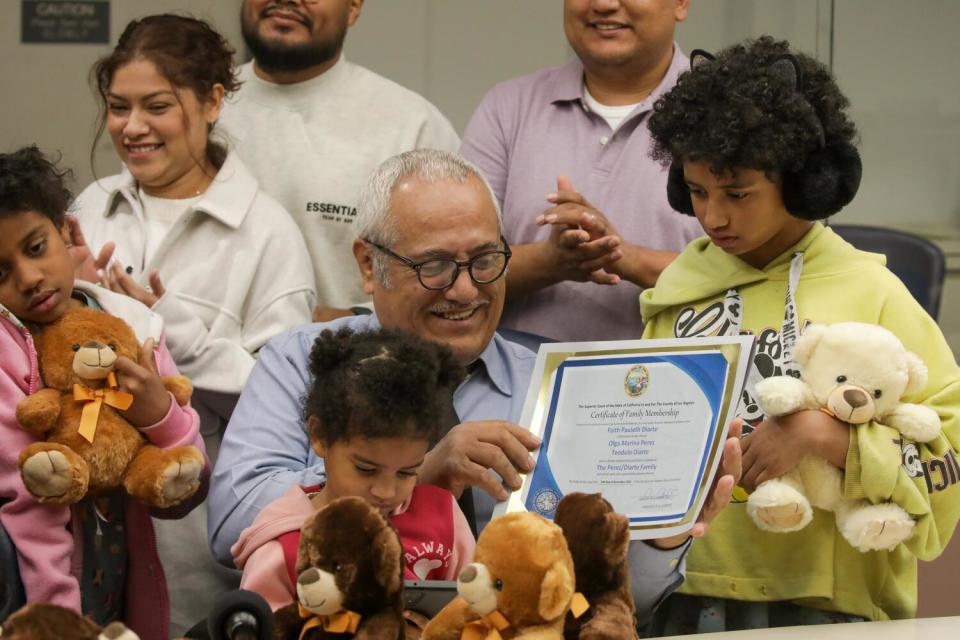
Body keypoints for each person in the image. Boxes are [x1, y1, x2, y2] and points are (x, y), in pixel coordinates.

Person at [209, 149, 742, 624]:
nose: (465, 290)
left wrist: (668, 528)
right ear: (369, 266)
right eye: (435, 265)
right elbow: (233, 526)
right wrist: (419, 477)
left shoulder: (557, 384)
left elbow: (612, 600)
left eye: (486, 260)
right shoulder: (304, 360)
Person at [641, 37, 960, 632]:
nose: (713, 217)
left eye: (738, 194)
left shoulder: (874, 293)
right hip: (685, 593)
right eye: (697, 191)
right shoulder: (678, 290)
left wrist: (826, 436)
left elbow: (947, 457)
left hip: (827, 606)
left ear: (802, 181)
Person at [71, 14, 316, 634]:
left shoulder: (267, 234)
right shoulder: (90, 207)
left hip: (191, 536)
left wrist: (159, 330)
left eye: (156, 106)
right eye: (118, 107)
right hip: (77, 518)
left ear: (212, 101)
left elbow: (284, 401)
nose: (132, 127)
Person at [0, 145, 208, 640]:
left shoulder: (132, 322)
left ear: (67, 231)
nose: (29, 279)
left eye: (35, 248)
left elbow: (186, 485)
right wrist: (60, 620)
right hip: (38, 587)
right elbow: (27, 499)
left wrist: (160, 413)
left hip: (120, 563)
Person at [459, 0, 702, 342]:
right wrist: (550, 260)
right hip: (521, 388)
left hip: (684, 386)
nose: (603, 4)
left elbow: (763, 274)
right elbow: (454, 270)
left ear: (680, 4)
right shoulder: (508, 108)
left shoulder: (726, 111)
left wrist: (623, 256)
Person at [220, 0, 460, 320]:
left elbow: (454, 270)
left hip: (352, 359)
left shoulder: (412, 125)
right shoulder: (192, 112)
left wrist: (353, 320)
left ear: (353, 8)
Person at [232, 326, 475, 611]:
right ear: (320, 436)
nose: (385, 492)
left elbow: (478, 611)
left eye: (407, 472)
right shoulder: (284, 547)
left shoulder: (444, 517)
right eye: (366, 469)